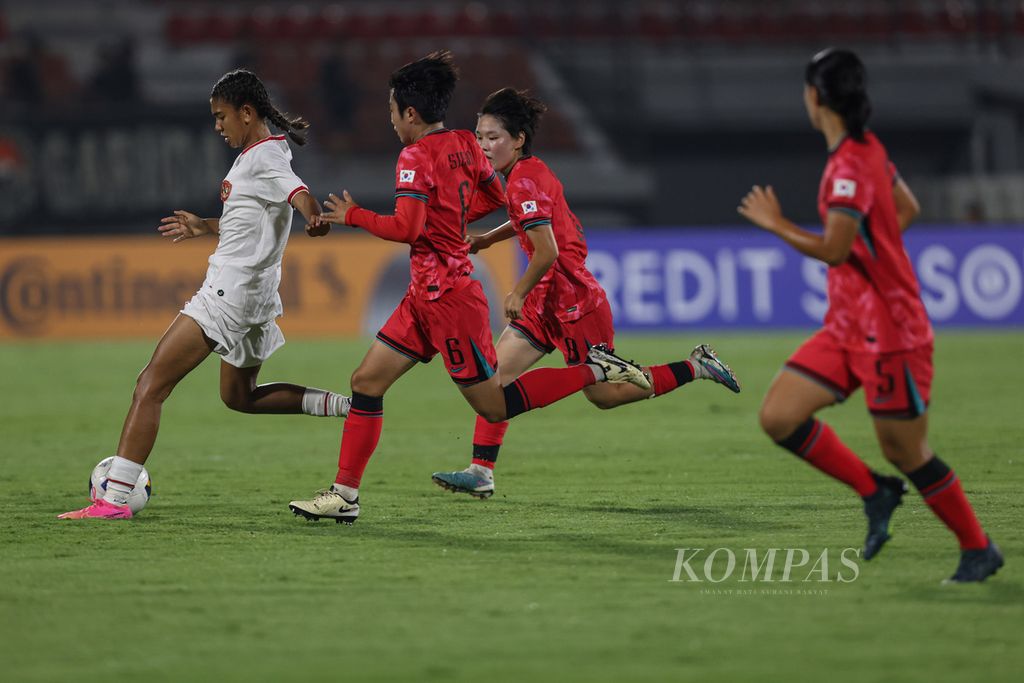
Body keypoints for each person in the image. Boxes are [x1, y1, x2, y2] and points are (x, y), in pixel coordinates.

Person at [287, 51, 649, 525]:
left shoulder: (414, 155)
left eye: (393, 110)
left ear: (410, 113)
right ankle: (344, 494)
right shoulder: (463, 143)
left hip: (452, 300)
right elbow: (497, 195)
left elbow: (407, 227)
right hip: (424, 296)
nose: (391, 119)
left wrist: (353, 216)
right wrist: (454, 219)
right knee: (366, 382)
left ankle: (595, 371)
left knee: (494, 406)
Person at [737, 48, 1002, 583]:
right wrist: (875, 253)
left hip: (891, 334)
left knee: (906, 450)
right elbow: (906, 208)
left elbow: (835, 249)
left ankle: (978, 548)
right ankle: (874, 491)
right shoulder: (867, 151)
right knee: (779, 416)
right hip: (849, 325)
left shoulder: (849, 167)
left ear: (816, 97)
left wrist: (777, 224)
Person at [59, 69, 349, 520]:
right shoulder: (263, 154)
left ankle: (113, 501)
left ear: (246, 113)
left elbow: (299, 195)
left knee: (150, 385)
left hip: (227, 294)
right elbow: (252, 218)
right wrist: (206, 226)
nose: (217, 126)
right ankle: (349, 407)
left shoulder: (264, 159)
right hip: (256, 299)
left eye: (221, 117)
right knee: (240, 397)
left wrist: (314, 217)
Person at [431, 88, 741, 499]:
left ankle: (696, 365)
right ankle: (481, 471)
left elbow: (547, 251)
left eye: (493, 137)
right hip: (547, 300)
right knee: (496, 379)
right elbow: (535, 224)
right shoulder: (527, 174)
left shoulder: (523, 181)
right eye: (480, 136)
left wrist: (517, 292)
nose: (484, 147)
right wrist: (489, 239)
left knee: (605, 396)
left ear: (519, 138)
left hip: (575, 302)